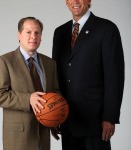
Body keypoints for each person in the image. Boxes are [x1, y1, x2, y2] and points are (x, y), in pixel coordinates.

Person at [52, 0, 125, 150]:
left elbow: (114, 77)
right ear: (66, 2)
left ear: (89, 0)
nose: (75, 1)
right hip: (68, 119)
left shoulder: (107, 29)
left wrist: (109, 117)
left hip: (95, 122)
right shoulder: (60, 32)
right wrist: (54, 115)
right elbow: (56, 76)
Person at [0, 17, 59, 150]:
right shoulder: (4, 61)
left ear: (41, 37)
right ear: (19, 35)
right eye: (28, 32)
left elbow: (55, 91)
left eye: (37, 33)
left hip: (43, 133)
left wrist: (55, 115)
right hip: (18, 137)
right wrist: (28, 99)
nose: (33, 36)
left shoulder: (50, 63)